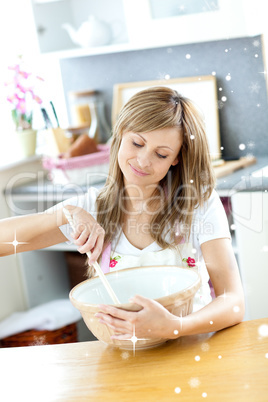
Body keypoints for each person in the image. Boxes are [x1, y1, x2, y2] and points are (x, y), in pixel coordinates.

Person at [0, 86, 244, 341]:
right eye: (137, 143)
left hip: (192, 351)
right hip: (125, 360)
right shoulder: (92, 207)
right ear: (120, 134)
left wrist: (175, 326)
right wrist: (67, 213)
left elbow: (234, 302)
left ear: (176, 159)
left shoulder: (199, 203)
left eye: (161, 154)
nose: (142, 160)